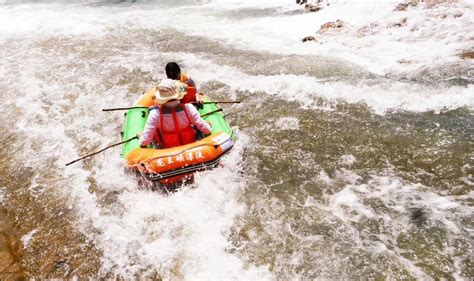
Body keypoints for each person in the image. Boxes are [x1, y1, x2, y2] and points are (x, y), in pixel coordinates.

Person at [139, 78, 211, 149]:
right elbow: (207, 130)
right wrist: (207, 124)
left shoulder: (155, 114)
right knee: (205, 124)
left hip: (167, 150)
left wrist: (141, 136)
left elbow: (144, 141)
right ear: (178, 95)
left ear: (161, 99)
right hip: (190, 145)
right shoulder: (189, 108)